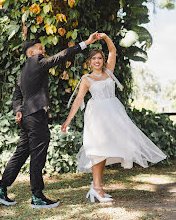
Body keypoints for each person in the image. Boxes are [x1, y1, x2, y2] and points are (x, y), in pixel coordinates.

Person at [0, 32, 101, 209]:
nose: (43, 51)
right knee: (38, 155)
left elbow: (17, 95)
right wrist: (86, 43)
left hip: (27, 116)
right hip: (36, 116)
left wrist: (18, 110)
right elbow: (62, 55)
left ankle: (1, 188)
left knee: (20, 153)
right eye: (40, 49)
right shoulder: (36, 62)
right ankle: (37, 196)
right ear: (31, 53)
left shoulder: (23, 71)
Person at [61, 33, 166, 203]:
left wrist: (105, 37)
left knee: (107, 150)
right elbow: (78, 100)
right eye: (94, 58)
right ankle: (97, 188)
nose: (97, 61)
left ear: (103, 61)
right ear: (89, 61)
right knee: (98, 151)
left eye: (99, 58)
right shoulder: (86, 79)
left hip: (114, 115)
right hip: (97, 117)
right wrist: (67, 120)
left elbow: (113, 51)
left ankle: (96, 187)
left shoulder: (109, 72)